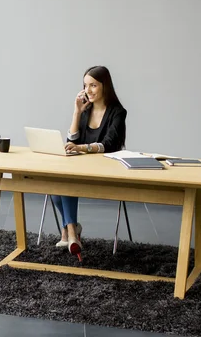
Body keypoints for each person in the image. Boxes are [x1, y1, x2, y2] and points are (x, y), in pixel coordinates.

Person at [52, 65, 127, 259]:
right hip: (81, 168)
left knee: (64, 185)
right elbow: (72, 142)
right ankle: (72, 232)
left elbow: (109, 144)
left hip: (107, 170)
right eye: (85, 86)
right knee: (54, 188)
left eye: (93, 85)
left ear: (105, 86)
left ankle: (69, 232)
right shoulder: (86, 110)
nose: (88, 90)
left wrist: (82, 148)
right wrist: (76, 113)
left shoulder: (118, 112)